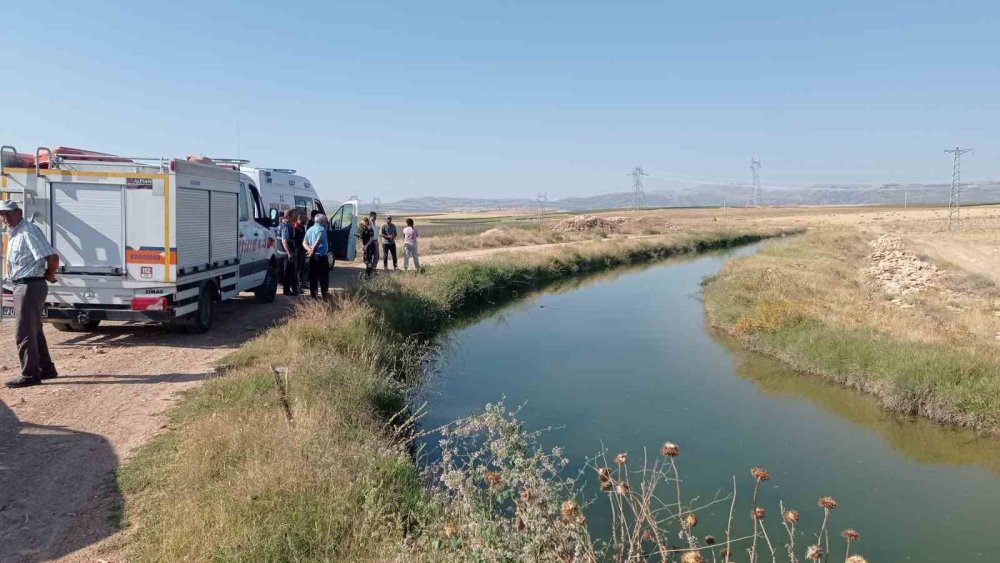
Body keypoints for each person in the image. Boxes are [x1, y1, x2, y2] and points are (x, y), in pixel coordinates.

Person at [0, 200, 60, 388]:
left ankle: (30, 374)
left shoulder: (28, 231)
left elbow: (52, 257)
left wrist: (49, 274)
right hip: (22, 285)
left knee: (23, 331)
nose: (5, 217)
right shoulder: (15, 233)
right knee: (34, 329)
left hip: (30, 285)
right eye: (2, 214)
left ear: (19, 213)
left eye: (9, 213)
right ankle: (46, 368)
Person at [303, 213, 330, 298]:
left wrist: (309, 250)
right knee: (323, 276)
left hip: (312, 257)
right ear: (322, 221)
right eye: (325, 221)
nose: (326, 223)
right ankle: (324, 295)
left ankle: (313, 295)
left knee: (313, 277)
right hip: (321, 257)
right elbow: (318, 240)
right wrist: (313, 249)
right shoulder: (321, 229)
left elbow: (304, 242)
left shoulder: (310, 229)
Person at [277, 209, 298, 295]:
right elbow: (284, 241)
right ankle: (287, 291)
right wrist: (289, 253)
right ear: (288, 216)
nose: (295, 217)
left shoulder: (281, 225)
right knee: (288, 273)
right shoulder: (285, 226)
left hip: (282, 253)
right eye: (294, 215)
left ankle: (292, 290)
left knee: (289, 272)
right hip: (286, 255)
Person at [293, 211, 308, 291]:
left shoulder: (302, 227)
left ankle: (301, 284)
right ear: (300, 218)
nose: (306, 219)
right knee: (297, 269)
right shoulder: (296, 227)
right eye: (304, 218)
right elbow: (296, 240)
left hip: (303, 250)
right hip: (298, 251)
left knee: (302, 268)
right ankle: (297, 286)